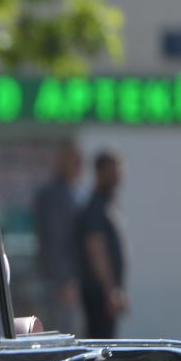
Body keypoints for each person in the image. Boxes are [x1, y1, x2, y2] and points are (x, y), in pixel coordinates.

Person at [32, 140, 83, 334]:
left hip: (67, 280)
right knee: (57, 334)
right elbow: (54, 239)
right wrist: (64, 279)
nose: (78, 166)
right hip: (58, 282)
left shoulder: (72, 193)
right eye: (73, 161)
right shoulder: (53, 195)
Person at [77, 149, 127, 337]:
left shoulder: (107, 205)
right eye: (111, 171)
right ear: (99, 172)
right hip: (98, 296)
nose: (117, 176)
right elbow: (95, 248)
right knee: (102, 345)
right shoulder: (96, 207)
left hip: (105, 295)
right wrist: (110, 291)